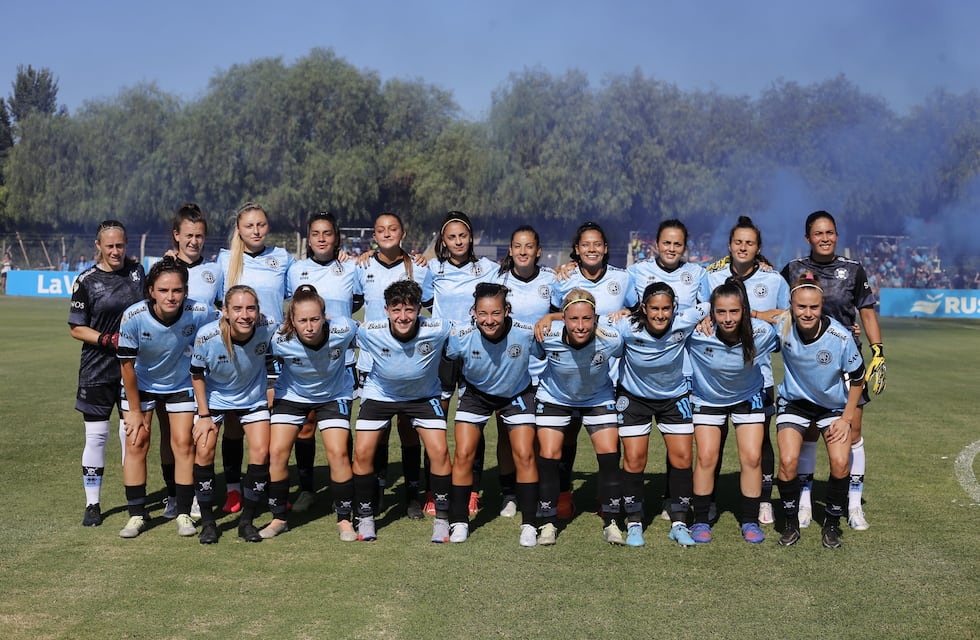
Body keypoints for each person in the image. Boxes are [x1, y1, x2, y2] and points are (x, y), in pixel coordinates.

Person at [781, 210, 884, 531]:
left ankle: (854, 504)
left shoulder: (852, 270)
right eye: (818, 233)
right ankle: (805, 501)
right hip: (809, 368)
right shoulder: (794, 269)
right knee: (808, 432)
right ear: (808, 237)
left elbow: (866, 312)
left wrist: (878, 350)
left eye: (830, 233)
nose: (825, 238)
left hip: (846, 363)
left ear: (836, 236)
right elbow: (781, 307)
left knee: (851, 432)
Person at [539, 221, 636, 520]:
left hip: (612, 371)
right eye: (586, 244)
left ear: (606, 249)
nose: (592, 249)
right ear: (577, 250)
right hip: (569, 372)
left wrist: (628, 312)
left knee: (609, 439)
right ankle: (565, 495)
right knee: (566, 436)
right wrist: (552, 316)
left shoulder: (623, 277)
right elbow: (557, 317)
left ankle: (604, 495)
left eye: (597, 244)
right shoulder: (563, 278)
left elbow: (638, 309)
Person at [115, 257, 216, 538]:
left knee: (183, 444)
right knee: (137, 441)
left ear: (185, 290)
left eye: (177, 290)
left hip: (181, 382)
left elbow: (221, 329)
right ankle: (136, 515)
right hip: (141, 383)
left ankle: (183, 512)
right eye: (164, 290)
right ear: (151, 291)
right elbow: (126, 366)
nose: (171, 297)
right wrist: (134, 411)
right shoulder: (133, 316)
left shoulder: (199, 310)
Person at [350, 280, 453, 542]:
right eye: (396, 310)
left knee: (440, 451)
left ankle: (442, 519)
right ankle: (365, 517)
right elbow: (336, 331)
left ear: (419, 308)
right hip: (380, 395)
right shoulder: (370, 331)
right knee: (362, 452)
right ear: (386, 310)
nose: (403, 316)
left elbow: (470, 331)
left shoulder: (438, 328)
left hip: (423, 396)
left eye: (409, 310)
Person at [704, 216, 789, 525]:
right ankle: (709, 500)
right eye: (738, 242)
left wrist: (760, 317)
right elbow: (703, 315)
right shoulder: (710, 276)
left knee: (760, 442)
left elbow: (785, 320)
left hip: (758, 377)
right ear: (729, 246)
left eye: (749, 243)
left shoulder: (774, 279)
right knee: (713, 441)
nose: (743, 247)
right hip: (714, 379)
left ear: (758, 248)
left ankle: (763, 500)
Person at [613, 282, 709, 547]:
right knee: (634, 459)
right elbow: (591, 318)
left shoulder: (684, 320)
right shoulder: (626, 326)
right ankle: (634, 522)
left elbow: (714, 304)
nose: (660, 314)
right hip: (633, 399)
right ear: (643, 308)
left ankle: (679, 523)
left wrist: (709, 315)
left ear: (674, 309)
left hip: (674, 399)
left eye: (666, 308)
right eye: (654, 308)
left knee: (682, 458)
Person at [775, 272, 866, 549]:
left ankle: (832, 524)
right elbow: (760, 316)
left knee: (840, 462)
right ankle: (791, 523)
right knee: (788, 461)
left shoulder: (840, 336)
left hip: (832, 407)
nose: (807, 312)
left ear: (821, 304)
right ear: (792, 305)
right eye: (801, 306)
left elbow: (859, 378)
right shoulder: (783, 324)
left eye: (813, 307)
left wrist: (846, 418)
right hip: (794, 404)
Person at [627, 219, 710, 521]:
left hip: (683, 370)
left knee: (679, 445)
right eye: (667, 243)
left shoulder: (698, 274)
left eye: (678, 244)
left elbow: (715, 300)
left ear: (685, 247)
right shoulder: (635, 272)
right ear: (655, 245)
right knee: (638, 450)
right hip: (643, 370)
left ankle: (672, 500)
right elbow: (622, 306)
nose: (672, 248)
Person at [444, 283, 538, 544]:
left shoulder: (525, 333)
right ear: (473, 312)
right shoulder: (461, 335)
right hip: (476, 395)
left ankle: (530, 524)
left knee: (524, 453)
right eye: (482, 313)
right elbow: (448, 359)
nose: (489, 320)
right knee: (463, 453)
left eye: (495, 313)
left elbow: (543, 350)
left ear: (506, 310)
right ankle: (459, 521)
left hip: (516, 394)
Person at [686, 279, 778, 544]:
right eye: (721, 312)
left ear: (744, 310)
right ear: (711, 312)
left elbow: (794, 334)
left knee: (751, 458)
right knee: (706, 457)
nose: (727, 318)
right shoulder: (698, 332)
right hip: (708, 398)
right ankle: (701, 520)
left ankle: (749, 520)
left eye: (734, 311)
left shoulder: (762, 332)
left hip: (747, 397)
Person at [262, 285, 358, 540]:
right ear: (292, 321)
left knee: (338, 452)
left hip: (334, 395)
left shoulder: (344, 328)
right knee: (277, 452)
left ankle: (345, 518)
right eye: (302, 320)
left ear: (324, 317)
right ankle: (279, 517)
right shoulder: (279, 340)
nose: (309, 326)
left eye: (315, 319)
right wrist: (270, 385)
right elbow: (260, 358)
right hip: (292, 396)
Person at [215, 202, 293, 514]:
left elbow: (298, 296)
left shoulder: (283, 258)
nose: (256, 231)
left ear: (268, 226)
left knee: (273, 424)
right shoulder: (223, 260)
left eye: (261, 225)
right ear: (239, 229)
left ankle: (273, 490)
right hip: (237, 352)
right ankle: (234, 491)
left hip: (274, 353)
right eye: (249, 226)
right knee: (234, 424)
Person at [355, 212, 433, 519]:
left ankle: (412, 492)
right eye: (380, 229)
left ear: (402, 232)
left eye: (393, 228)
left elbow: (430, 309)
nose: (386, 233)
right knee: (379, 429)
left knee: (408, 427)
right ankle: (377, 489)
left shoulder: (419, 268)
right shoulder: (361, 266)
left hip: (410, 360)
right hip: (372, 360)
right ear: (373, 235)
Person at [533, 288, 625, 546]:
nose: (581, 325)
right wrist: (548, 318)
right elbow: (535, 350)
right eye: (574, 319)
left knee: (609, 455)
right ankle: (548, 522)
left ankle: (613, 521)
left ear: (595, 317)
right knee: (549, 456)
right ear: (563, 318)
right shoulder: (546, 335)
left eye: (587, 319)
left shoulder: (611, 339)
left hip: (597, 397)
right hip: (555, 398)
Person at [68, 220, 145, 526]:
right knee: (97, 437)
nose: (116, 251)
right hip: (97, 369)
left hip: (134, 370)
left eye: (120, 245)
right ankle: (92, 503)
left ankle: (134, 501)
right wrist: (106, 339)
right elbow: (76, 328)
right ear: (98, 246)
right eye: (110, 246)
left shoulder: (137, 273)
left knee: (132, 436)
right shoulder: (86, 281)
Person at [190, 285, 279, 543]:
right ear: (225, 312)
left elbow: (291, 329)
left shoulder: (267, 327)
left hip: (252, 399)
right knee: (204, 449)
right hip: (215, 400)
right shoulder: (207, 336)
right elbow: (196, 374)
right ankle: (208, 523)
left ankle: (246, 522)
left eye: (250, 308)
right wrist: (204, 415)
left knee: (261, 452)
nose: (245, 315)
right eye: (237, 308)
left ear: (258, 311)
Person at [285, 212, 361, 513]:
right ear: (309, 237)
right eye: (315, 233)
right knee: (306, 426)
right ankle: (306, 489)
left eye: (327, 233)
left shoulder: (352, 267)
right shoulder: (295, 269)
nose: (321, 238)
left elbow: (359, 300)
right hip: (303, 358)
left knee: (340, 426)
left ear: (336, 237)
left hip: (340, 360)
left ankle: (348, 485)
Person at [427, 211, 496, 515]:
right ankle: (435, 488)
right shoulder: (431, 269)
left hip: (474, 352)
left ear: (472, 238)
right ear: (443, 240)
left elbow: (526, 271)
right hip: (441, 354)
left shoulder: (489, 268)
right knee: (435, 421)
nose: (458, 241)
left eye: (463, 236)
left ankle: (471, 489)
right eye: (451, 236)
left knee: (472, 422)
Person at [492, 225, 556, 517]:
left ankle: (542, 489)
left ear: (538, 251)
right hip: (509, 370)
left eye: (529, 246)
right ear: (510, 250)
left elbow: (567, 312)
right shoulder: (498, 280)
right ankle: (509, 494)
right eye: (517, 246)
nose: (523, 251)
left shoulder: (553, 279)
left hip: (545, 370)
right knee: (507, 435)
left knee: (543, 435)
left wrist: (550, 316)